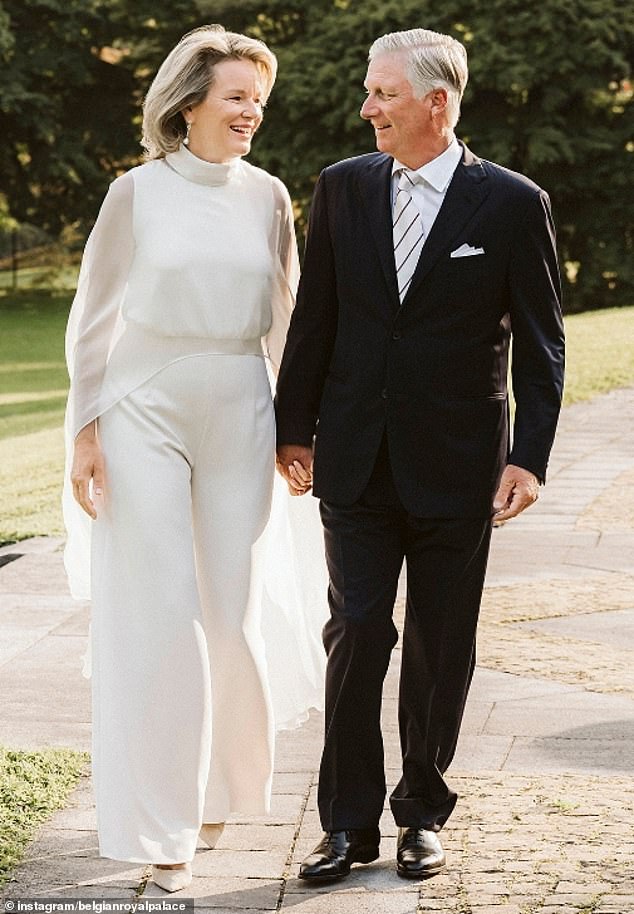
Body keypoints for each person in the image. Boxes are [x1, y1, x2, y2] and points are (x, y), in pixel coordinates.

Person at [275, 27, 565, 882]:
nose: (367, 108)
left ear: (437, 103)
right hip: (354, 457)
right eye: (369, 93)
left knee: (442, 642)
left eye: (384, 95)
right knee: (358, 630)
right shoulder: (341, 189)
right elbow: (315, 319)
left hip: (459, 462)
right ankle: (347, 825)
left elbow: (543, 344)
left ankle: (421, 814)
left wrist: (531, 459)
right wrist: (294, 428)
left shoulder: (513, 202)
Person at [62, 25, 326, 893]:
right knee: (161, 608)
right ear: (189, 103)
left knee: (231, 609)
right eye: (237, 95)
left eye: (259, 97)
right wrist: (85, 428)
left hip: (242, 409)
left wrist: (299, 428)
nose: (252, 110)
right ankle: (161, 826)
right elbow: (94, 320)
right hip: (144, 407)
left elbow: (288, 321)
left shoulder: (267, 195)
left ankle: (217, 791)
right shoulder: (135, 195)